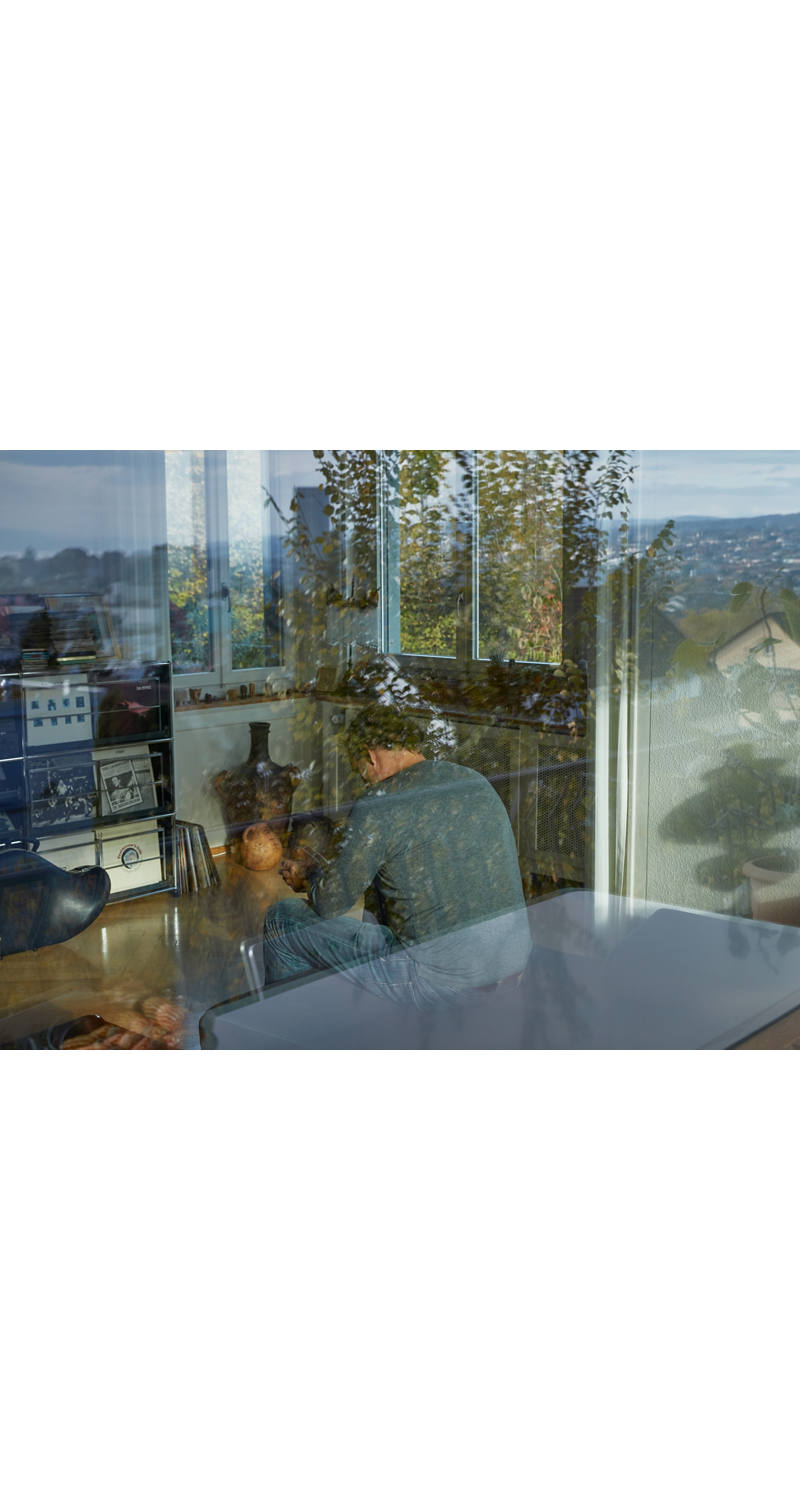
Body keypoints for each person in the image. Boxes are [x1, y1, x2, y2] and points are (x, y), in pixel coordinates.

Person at [263, 705, 531, 1009]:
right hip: (512, 967)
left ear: (371, 756)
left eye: (360, 771)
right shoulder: (472, 780)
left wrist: (310, 876)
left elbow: (330, 903)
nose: (365, 782)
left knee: (282, 920)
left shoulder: (382, 802)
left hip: (440, 983)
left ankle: (284, 1030)